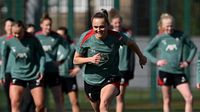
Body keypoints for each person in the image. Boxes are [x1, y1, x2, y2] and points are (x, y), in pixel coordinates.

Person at [73, 9, 147, 112]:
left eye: (102, 26)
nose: (98, 30)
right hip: (91, 80)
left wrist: (141, 56)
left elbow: (131, 43)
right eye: (96, 27)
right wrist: (90, 59)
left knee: (104, 104)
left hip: (111, 77)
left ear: (108, 25)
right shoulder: (86, 37)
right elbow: (76, 60)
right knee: (98, 109)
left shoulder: (116, 36)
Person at [144, 13, 197, 112]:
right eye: (167, 26)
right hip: (165, 72)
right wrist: (156, 61)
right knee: (167, 100)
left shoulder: (181, 35)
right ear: (163, 26)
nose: (169, 28)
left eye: (171, 25)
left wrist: (187, 61)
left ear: (174, 25)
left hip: (179, 72)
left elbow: (193, 48)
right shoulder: (159, 37)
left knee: (189, 98)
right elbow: (146, 51)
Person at [0, 20, 45, 112]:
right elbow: (4, 57)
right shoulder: (9, 40)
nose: (16, 35)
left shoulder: (33, 39)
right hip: (17, 74)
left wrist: (41, 69)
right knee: (15, 103)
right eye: (14, 33)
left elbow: (42, 54)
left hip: (33, 74)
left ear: (24, 30)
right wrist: (2, 73)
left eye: (19, 33)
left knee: (40, 105)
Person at [35, 14, 68, 112]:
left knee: (58, 99)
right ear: (41, 25)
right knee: (40, 103)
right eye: (46, 25)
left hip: (53, 71)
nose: (48, 27)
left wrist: (60, 61)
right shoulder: (36, 37)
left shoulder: (57, 36)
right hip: (40, 73)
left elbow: (68, 49)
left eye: (50, 25)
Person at [110, 14, 135, 112]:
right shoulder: (108, 35)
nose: (117, 24)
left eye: (119, 22)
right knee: (106, 97)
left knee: (119, 97)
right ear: (111, 23)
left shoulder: (128, 36)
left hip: (123, 70)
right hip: (110, 69)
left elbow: (132, 53)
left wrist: (131, 70)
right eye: (115, 22)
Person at [57, 26, 81, 112]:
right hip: (58, 77)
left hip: (70, 77)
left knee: (74, 101)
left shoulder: (73, 45)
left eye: (61, 35)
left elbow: (83, 55)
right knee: (60, 102)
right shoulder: (55, 46)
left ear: (66, 35)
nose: (59, 37)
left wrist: (78, 68)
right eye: (58, 35)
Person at [0, 18, 14, 112]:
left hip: (17, 72)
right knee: (8, 98)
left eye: (12, 25)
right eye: (8, 25)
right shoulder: (1, 40)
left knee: (16, 98)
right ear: (5, 27)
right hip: (5, 72)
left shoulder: (17, 39)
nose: (10, 27)